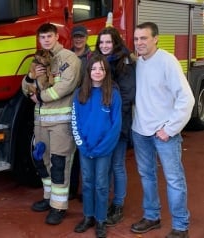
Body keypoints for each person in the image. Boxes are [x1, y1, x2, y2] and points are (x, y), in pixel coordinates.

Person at [130, 22, 194, 238]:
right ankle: (152, 217)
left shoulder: (167, 61)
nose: (139, 43)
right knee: (147, 176)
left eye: (144, 38)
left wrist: (170, 128)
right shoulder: (137, 62)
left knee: (174, 179)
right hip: (140, 131)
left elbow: (187, 98)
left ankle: (180, 226)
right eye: (136, 38)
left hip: (164, 134)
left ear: (156, 39)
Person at [21, 23, 81, 225]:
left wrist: (40, 96)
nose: (46, 40)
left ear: (57, 37)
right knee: (41, 160)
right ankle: (48, 197)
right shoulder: (38, 59)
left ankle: (59, 206)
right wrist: (30, 77)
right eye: (42, 37)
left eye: (49, 36)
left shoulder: (68, 58)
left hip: (60, 122)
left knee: (59, 164)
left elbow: (65, 86)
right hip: (40, 122)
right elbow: (25, 88)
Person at [71, 54, 122, 238]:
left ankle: (100, 219)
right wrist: (83, 146)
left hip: (103, 150)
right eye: (94, 68)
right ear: (88, 72)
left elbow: (115, 126)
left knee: (101, 184)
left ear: (106, 72)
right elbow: (75, 122)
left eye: (101, 68)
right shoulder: (80, 94)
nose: (97, 72)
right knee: (87, 183)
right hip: (85, 148)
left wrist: (101, 148)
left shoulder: (113, 94)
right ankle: (88, 217)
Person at [94, 26, 136, 226]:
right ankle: (106, 202)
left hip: (118, 124)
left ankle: (118, 204)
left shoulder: (124, 63)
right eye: (101, 42)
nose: (104, 46)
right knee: (105, 166)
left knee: (117, 165)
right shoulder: (98, 62)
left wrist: (114, 123)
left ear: (116, 42)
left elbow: (127, 97)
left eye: (108, 42)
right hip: (101, 124)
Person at [69, 24, 92, 201]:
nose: (78, 40)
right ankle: (70, 189)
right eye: (76, 37)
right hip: (68, 106)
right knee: (71, 152)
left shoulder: (92, 58)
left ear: (86, 38)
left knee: (85, 150)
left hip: (85, 107)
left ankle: (85, 191)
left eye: (81, 37)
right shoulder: (66, 56)